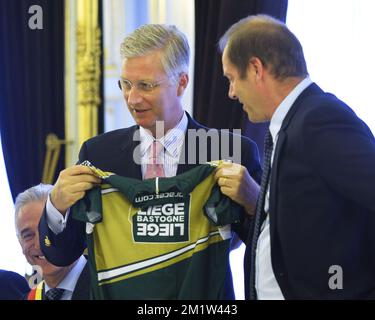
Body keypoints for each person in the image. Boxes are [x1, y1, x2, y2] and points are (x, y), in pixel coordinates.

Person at [38, 24, 262, 299]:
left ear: (181, 83)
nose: (133, 98)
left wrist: (254, 201)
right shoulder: (98, 154)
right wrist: (56, 206)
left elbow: (266, 252)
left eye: (146, 85)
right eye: (126, 84)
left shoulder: (227, 151)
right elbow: (62, 253)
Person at [217, 14, 375, 299]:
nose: (231, 93)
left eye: (231, 79)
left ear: (255, 69)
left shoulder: (318, 118)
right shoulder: (293, 121)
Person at [15, 184, 90, 300]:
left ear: (72, 228)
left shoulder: (110, 285)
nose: (40, 244)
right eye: (28, 235)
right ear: (20, 242)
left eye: (49, 229)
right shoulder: (29, 298)